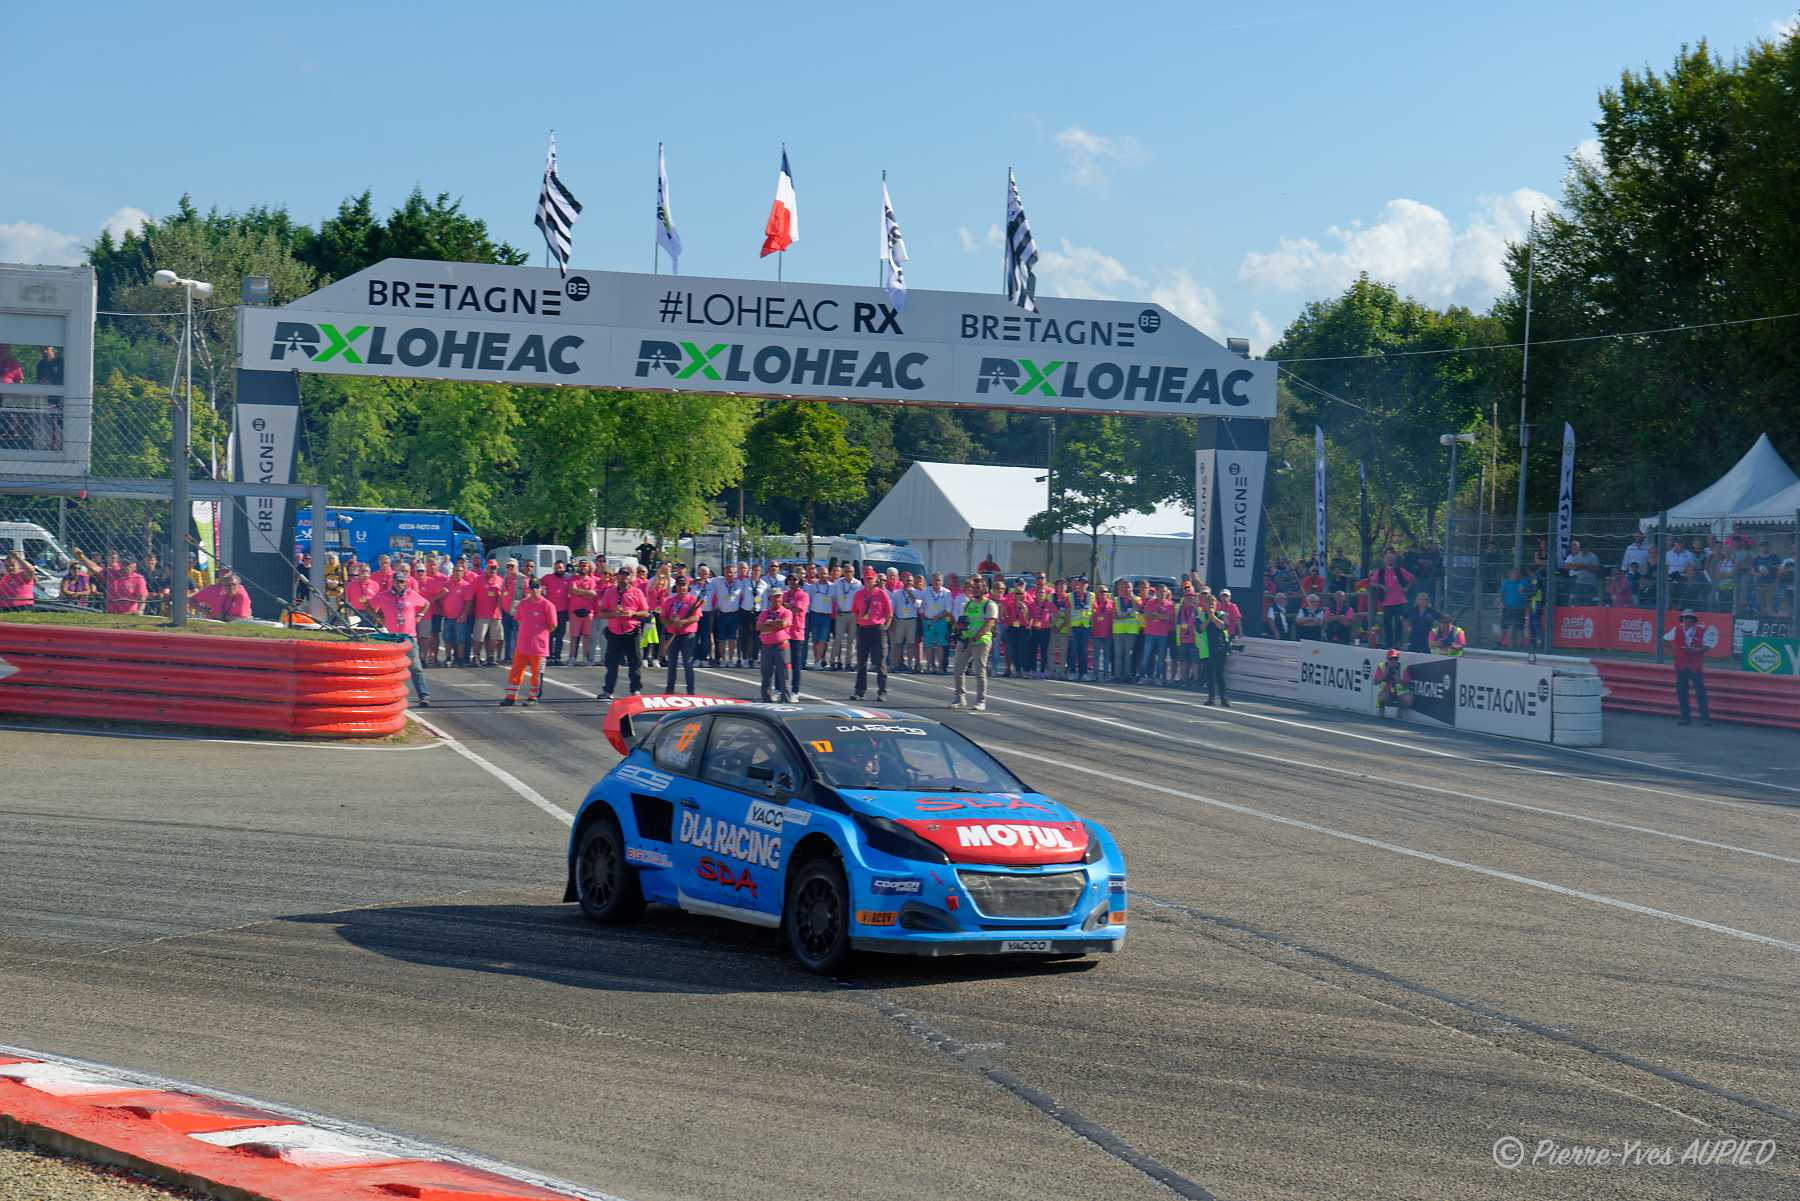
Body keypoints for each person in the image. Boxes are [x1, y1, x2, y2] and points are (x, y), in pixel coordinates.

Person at [367, 568, 431, 708]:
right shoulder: (383, 595)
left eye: (403, 581)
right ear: (393, 582)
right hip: (390, 637)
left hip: (409, 636)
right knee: (390, 669)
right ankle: (388, 696)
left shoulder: (411, 594)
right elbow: (368, 604)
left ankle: (423, 695)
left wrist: (419, 615)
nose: (401, 583)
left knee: (416, 667)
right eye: (398, 581)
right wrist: (378, 617)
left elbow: (426, 603)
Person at [596, 566, 651, 701]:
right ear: (617, 576)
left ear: (631, 577)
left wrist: (633, 613)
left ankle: (636, 689)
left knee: (635, 663)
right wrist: (613, 614)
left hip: (631, 631)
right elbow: (601, 613)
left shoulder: (637, 592)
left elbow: (646, 612)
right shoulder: (609, 592)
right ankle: (608, 690)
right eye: (622, 575)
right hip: (614, 632)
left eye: (627, 575)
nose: (624, 577)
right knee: (612, 664)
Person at [949, 577, 999, 711]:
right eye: (973, 588)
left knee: (979, 672)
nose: (974, 590)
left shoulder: (990, 604)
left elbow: (990, 623)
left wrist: (977, 636)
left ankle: (981, 701)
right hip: (965, 640)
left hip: (981, 642)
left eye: (978, 588)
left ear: (985, 589)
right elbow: (964, 620)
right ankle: (959, 698)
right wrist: (958, 630)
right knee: (958, 669)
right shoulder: (969, 604)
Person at [850, 566, 892, 702]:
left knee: (880, 662)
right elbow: (855, 611)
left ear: (875, 580)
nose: (869, 581)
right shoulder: (859, 594)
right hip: (863, 629)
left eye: (871, 579)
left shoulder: (881, 594)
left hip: (877, 629)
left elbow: (889, 612)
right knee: (861, 662)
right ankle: (860, 691)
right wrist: (860, 622)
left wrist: (885, 627)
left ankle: (882, 691)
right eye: (866, 579)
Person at [1665, 609, 1713, 726]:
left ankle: (1705, 718)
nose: (1688, 620)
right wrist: (1674, 651)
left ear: (1694, 620)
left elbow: (1707, 646)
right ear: (1682, 619)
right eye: (1686, 617)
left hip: (1695, 665)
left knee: (1700, 692)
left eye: (1691, 618)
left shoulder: (1701, 630)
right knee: (1682, 693)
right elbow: (1664, 640)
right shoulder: (1676, 629)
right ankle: (1685, 718)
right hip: (1681, 665)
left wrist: (1695, 650)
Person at [658, 574, 703, 694]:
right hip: (672, 635)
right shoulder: (670, 601)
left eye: (684, 585)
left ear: (687, 586)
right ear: (676, 586)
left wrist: (683, 622)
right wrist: (671, 624)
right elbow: (662, 617)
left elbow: (696, 617)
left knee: (688, 663)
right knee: (671, 663)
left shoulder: (693, 600)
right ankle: (669, 689)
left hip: (688, 635)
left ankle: (690, 691)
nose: (682, 587)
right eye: (679, 585)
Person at [1361, 552, 1415, 648]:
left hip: (1400, 601)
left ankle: (1398, 642)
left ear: (1395, 560)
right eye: (1388, 558)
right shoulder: (1380, 571)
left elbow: (1412, 579)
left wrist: (1406, 588)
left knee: (1399, 622)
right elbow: (1372, 583)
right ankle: (1389, 643)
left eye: (1392, 558)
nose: (1390, 560)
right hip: (1387, 602)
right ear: (1385, 560)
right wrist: (1381, 586)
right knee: (1387, 623)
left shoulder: (1399, 570)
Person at [757, 589, 793, 703]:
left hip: (781, 647)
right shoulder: (764, 613)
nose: (777, 599)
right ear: (769, 598)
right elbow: (759, 627)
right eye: (775, 597)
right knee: (766, 676)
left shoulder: (787, 612)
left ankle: (786, 701)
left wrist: (769, 623)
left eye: (779, 597)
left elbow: (783, 624)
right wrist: (775, 624)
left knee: (784, 677)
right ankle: (766, 701)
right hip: (767, 648)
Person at [1198, 593, 1231, 706]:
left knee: (1220, 675)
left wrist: (1213, 617)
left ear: (1216, 605)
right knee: (1209, 674)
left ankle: (1223, 698)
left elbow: (1223, 626)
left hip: (1220, 649)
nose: (1211, 606)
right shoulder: (1200, 616)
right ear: (1205, 605)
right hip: (1207, 650)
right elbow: (1200, 629)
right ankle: (1211, 697)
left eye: (1213, 604)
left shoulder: (1222, 615)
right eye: (1209, 604)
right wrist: (1209, 618)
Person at [781, 571, 809, 697]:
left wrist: (787, 606)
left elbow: (797, 610)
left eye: (795, 579)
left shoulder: (803, 595)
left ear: (800, 581)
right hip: (784, 633)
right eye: (790, 579)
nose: (792, 581)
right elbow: (778, 608)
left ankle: (795, 691)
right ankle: (779, 688)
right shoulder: (784, 594)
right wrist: (788, 606)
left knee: (796, 665)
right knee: (781, 663)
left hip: (796, 633)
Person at [921, 572, 953, 674]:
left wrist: (938, 617)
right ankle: (930, 666)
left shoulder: (947, 593)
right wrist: (924, 616)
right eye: (935, 580)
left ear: (942, 582)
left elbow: (948, 609)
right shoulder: (925, 592)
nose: (937, 582)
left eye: (939, 580)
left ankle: (940, 667)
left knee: (940, 645)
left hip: (941, 621)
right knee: (928, 645)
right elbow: (921, 607)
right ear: (931, 581)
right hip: (928, 621)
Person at [1374, 649, 1411, 718]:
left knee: (1408, 699)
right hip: (1387, 691)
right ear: (1387, 659)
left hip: (1400, 693)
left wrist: (1399, 680)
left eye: (1396, 658)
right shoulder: (1382, 666)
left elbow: (1408, 684)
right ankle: (1381, 709)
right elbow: (1375, 682)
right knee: (1382, 698)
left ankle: (1400, 710)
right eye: (1391, 659)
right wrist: (1384, 675)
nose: (1394, 661)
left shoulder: (1403, 667)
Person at [1498, 568, 1528, 649]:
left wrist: (1524, 590)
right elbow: (1501, 594)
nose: (1516, 575)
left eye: (1517, 573)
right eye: (1514, 573)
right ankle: (1499, 643)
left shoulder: (1523, 582)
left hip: (1520, 608)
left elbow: (1529, 593)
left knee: (1520, 627)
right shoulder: (1506, 583)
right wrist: (1501, 604)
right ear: (1510, 574)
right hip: (1508, 607)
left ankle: (1521, 645)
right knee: (1504, 626)